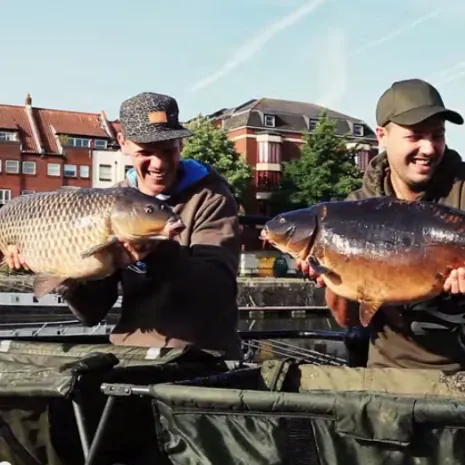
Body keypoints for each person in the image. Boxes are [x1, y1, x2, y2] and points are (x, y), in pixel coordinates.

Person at [7, 92, 243, 360]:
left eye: (168, 150)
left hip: (202, 354)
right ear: (123, 143)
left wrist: (156, 253)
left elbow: (218, 289)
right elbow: (92, 314)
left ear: (181, 143)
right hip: (132, 351)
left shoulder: (211, 197)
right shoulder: (110, 202)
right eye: (145, 152)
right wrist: (60, 272)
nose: (159, 164)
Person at [298, 78, 465, 372]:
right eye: (415, 136)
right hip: (390, 370)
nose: (428, 148)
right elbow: (348, 319)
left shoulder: (461, 190)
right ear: (382, 136)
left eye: (437, 135)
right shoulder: (353, 208)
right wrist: (329, 274)